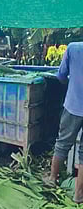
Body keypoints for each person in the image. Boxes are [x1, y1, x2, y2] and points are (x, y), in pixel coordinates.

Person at [48, 42, 83, 203]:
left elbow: (61, 76)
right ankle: (78, 195)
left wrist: (73, 85)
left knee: (62, 143)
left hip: (73, 105)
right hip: (74, 105)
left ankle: (52, 178)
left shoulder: (74, 48)